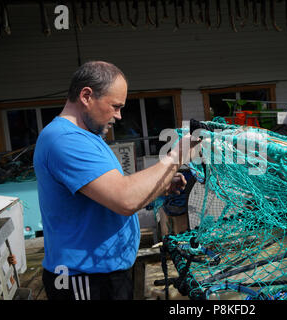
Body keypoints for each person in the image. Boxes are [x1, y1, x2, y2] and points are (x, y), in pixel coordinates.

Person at [33, 61, 198, 300]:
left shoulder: (88, 137)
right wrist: (177, 155)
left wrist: (159, 187)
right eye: (115, 106)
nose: (119, 116)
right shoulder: (65, 140)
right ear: (86, 96)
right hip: (83, 279)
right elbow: (124, 198)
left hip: (105, 273)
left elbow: (110, 191)